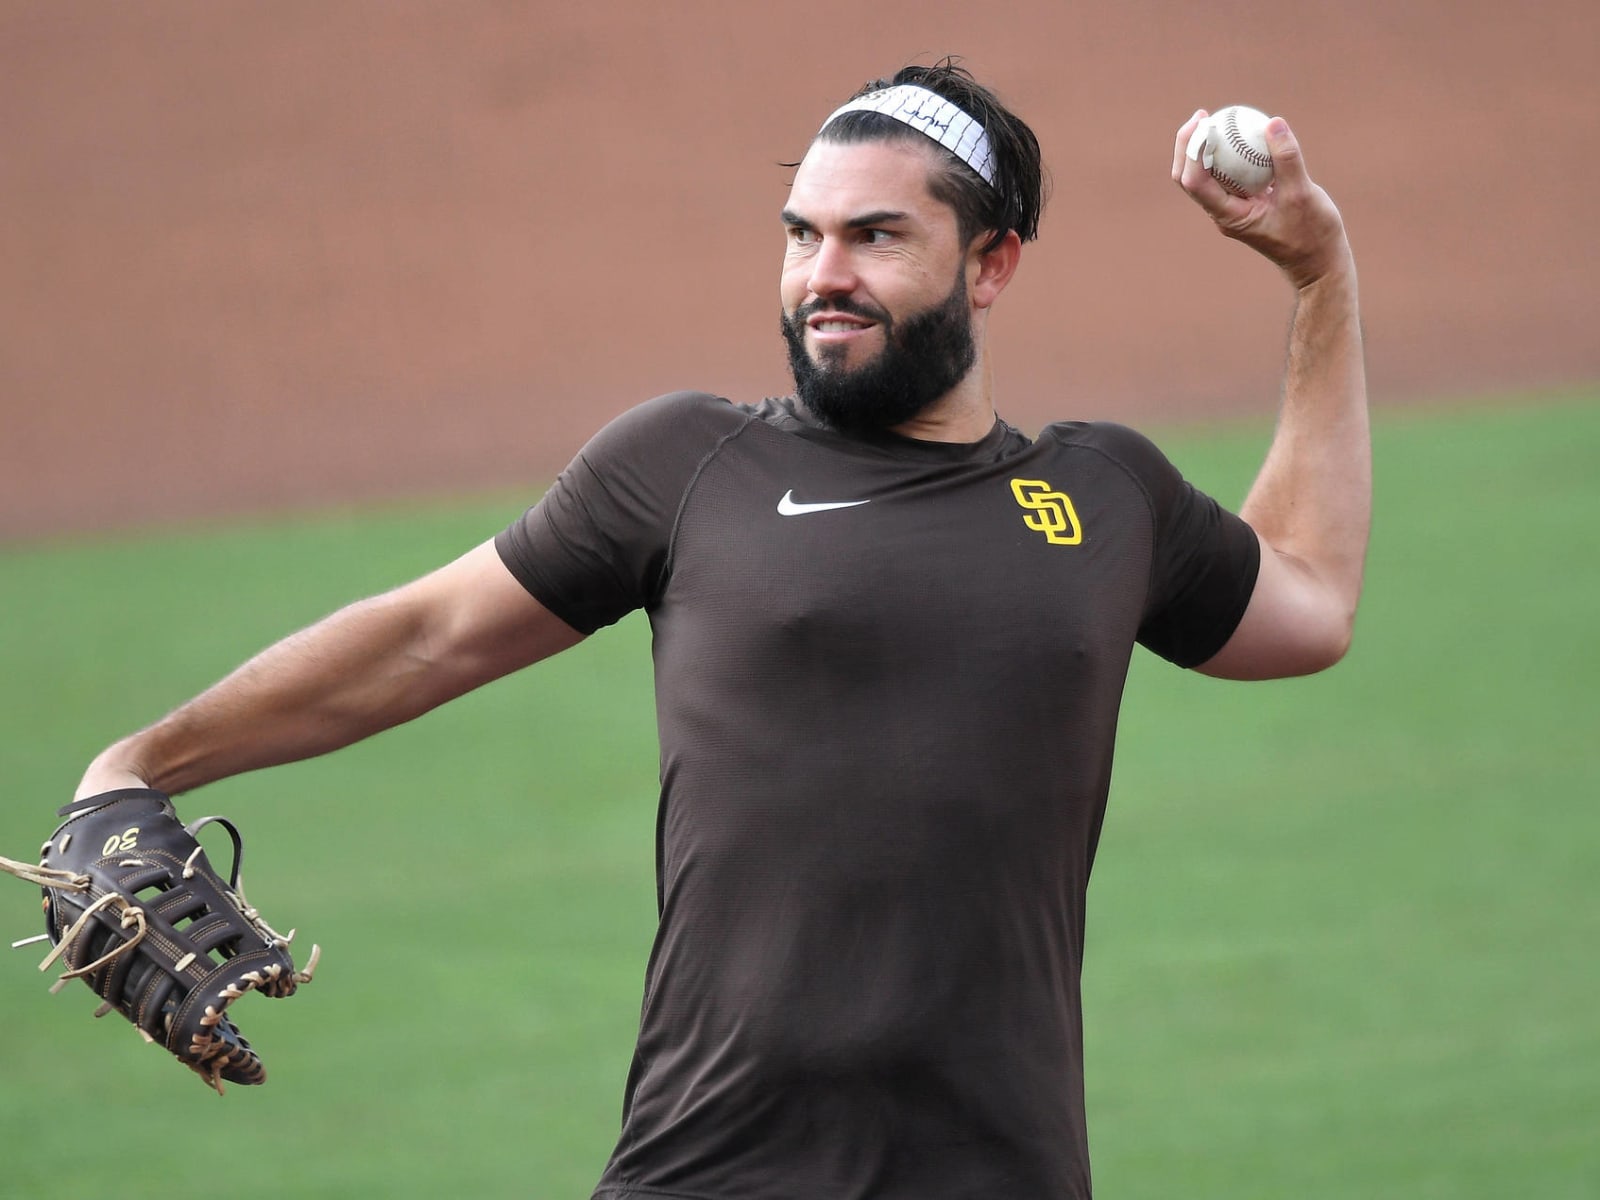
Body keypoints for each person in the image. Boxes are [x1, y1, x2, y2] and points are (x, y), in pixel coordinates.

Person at [76, 61, 1367, 1200]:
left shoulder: (1103, 497)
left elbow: (1307, 598)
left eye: (873, 237)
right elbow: (423, 636)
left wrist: (1319, 276)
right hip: (710, 1169)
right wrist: (143, 762)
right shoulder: (690, 466)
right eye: (801, 235)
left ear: (992, 263)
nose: (824, 276)